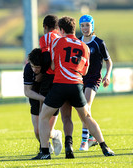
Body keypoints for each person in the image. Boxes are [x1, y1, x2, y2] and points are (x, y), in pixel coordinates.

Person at [32, 16, 114, 160]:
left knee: (45, 116)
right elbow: (85, 72)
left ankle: (45, 152)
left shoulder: (57, 41)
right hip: (76, 86)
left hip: (60, 85)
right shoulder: (84, 46)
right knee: (87, 117)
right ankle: (104, 146)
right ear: (75, 28)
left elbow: (52, 65)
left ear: (61, 30)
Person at [39, 14, 74, 157]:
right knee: (68, 114)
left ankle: (46, 147)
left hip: (50, 77)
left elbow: (47, 60)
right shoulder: (62, 37)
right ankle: (54, 140)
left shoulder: (46, 38)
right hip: (66, 78)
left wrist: (40, 73)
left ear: (45, 27)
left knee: (43, 115)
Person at [78, 14, 113, 151]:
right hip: (80, 79)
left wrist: (107, 75)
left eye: (87, 25)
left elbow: (108, 61)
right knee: (83, 110)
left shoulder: (99, 42)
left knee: (86, 106)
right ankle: (92, 138)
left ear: (92, 26)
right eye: (82, 25)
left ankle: (84, 140)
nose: (85, 28)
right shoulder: (78, 42)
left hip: (94, 79)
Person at [23, 48, 62, 155]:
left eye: (37, 67)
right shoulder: (28, 69)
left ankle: (56, 134)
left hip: (51, 96)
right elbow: (27, 92)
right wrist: (44, 99)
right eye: (32, 66)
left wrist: (49, 99)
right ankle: (46, 146)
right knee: (38, 132)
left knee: (48, 132)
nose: (34, 70)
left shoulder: (51, 68)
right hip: (36, 97)